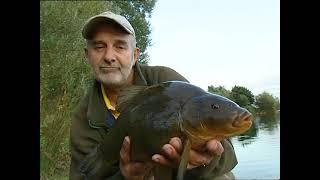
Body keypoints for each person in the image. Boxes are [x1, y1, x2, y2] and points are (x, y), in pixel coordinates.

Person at [69, 11, 238, 180]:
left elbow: (229, 157)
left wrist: (202, 161)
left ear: (135, 55)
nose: (109, 57)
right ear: (87, 55)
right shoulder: (83, 117)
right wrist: (126, 177)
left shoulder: (168, 81)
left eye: (120, 46)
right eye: (99, 47)